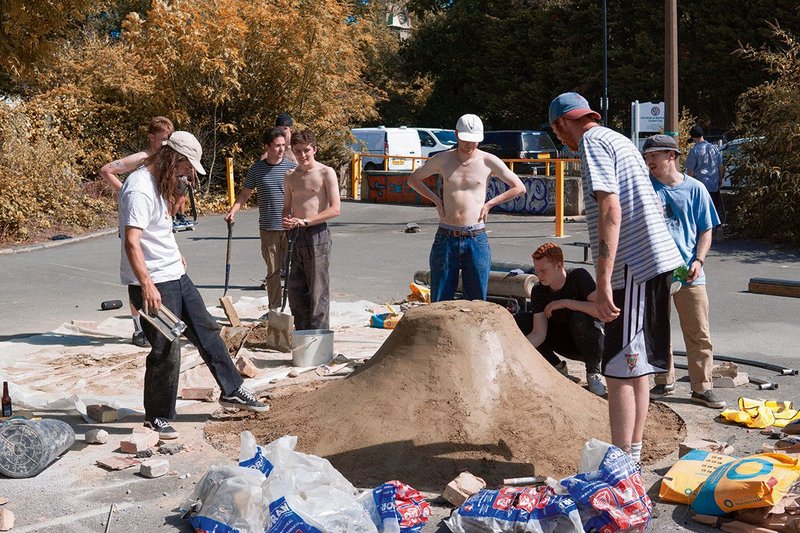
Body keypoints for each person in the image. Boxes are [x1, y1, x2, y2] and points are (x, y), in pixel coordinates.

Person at [548, 92, 683, 468]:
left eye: (558, 132)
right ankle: (632, 458)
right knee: (634, 365)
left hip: (634, 266)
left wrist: (603, 279)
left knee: (619, 370)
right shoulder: (617, 139)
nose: (562, 140)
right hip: (651, 263)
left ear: (562, 125)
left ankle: (622, 463)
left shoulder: (591, 143)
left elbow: (611, 208)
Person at [119, 131, 269, 439]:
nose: (188, 174)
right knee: (166, 348)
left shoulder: (161, 183)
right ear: (174, 158)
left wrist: (174, 251)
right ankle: (157, 416)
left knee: (206, 329)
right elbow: (132, 243)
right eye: (187, 168)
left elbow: (156, 232)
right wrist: (147, 285)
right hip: (153, 283)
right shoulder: (139, 189)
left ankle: (232, 389)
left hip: (174, 273)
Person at [644, 134, 725, 409]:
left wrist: (699, 260)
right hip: (655, 271)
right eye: (646, 157)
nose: (649, 161)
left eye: (654, 156)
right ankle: (663, 380)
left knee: (699, 331)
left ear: (671, 156)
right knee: (657, 329)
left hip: (689, 271)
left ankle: (702, 387)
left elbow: (706, 229)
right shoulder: (645, 188)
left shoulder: (696, 189)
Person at [407, 114, 525, 302]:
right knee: (441, 299)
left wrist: (490, 204)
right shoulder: (443, 159)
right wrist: (437, 200)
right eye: (466, 140)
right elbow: (413, 179)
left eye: (474, 141)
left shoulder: (488, 161)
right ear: (456, 135)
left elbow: (519, 187)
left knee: (476, 299)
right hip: (446, 235)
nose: (470, 145)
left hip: (475, 236)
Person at [99, 116, 174, 348]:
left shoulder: (166, 159)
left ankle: (159, 322)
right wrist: (125, 192)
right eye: (163, 139)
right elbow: (106, 170)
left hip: (154, 221)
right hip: (135, 220)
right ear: (152, 137)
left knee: (157, 272)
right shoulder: (142, 159)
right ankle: (138, 327)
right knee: (137, 275)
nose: (166, 144)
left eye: (169, 139)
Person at [515, 243, 606, 396]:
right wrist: (515, 351)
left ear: (559, 266)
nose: (539, 275)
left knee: (579, 318)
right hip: (562, 341)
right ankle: (557, 367)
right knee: (522, 320)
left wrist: (565, 303)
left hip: (590, 341)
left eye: (543, 270)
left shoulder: (579, 277)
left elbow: (602, 310)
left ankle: (593, 373)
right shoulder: (539, 290)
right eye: (537, 270)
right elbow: (538, 333)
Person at [226, 128, 297, 309]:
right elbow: (244, 194)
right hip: (268, 227)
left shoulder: (291, 167)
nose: (281, 149)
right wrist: (233, 211)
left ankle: (296, 308)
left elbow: (301, 194)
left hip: (290, 226)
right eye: (277, 146)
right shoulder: (256, 169)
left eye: (283, 145)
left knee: (295, 271)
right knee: (273, 272)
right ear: (267, 147)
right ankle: (275, 309)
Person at [281, 130, 341, 330]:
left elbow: (335, 209)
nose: (303, 155)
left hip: (317, 233)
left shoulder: (326, 172)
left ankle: (318, 336)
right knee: (296, 288)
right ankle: (302, 331)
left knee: (317, 289)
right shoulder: (290, 175)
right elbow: (286, 207)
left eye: (306, 150)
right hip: (296, 234)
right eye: (298, 151)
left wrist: (306, 221)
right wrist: (287, 219)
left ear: (314, 149)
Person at [685, 125, 725, 227]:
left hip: (700, 185)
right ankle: (717, 228)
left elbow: (690, 171)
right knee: (715, 207)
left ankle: (706, 230)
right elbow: (721, 167)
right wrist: (720, 179)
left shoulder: (694, 150)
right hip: (714, 184)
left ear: (693, 137)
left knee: (702, 209)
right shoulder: (714, 149)